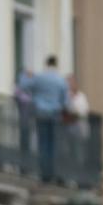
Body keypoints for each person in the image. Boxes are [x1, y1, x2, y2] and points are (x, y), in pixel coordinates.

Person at [26, 54, 70, 182]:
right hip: (55, 114)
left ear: (46, 64)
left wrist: (27, 75)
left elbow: (24, 86)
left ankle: (43, 172)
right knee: (53, 144)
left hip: (40, 112)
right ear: (56, 65)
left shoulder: (39, 77)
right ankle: (51, 172)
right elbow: (65, 101)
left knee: (42, 144)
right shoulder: (61, 80)